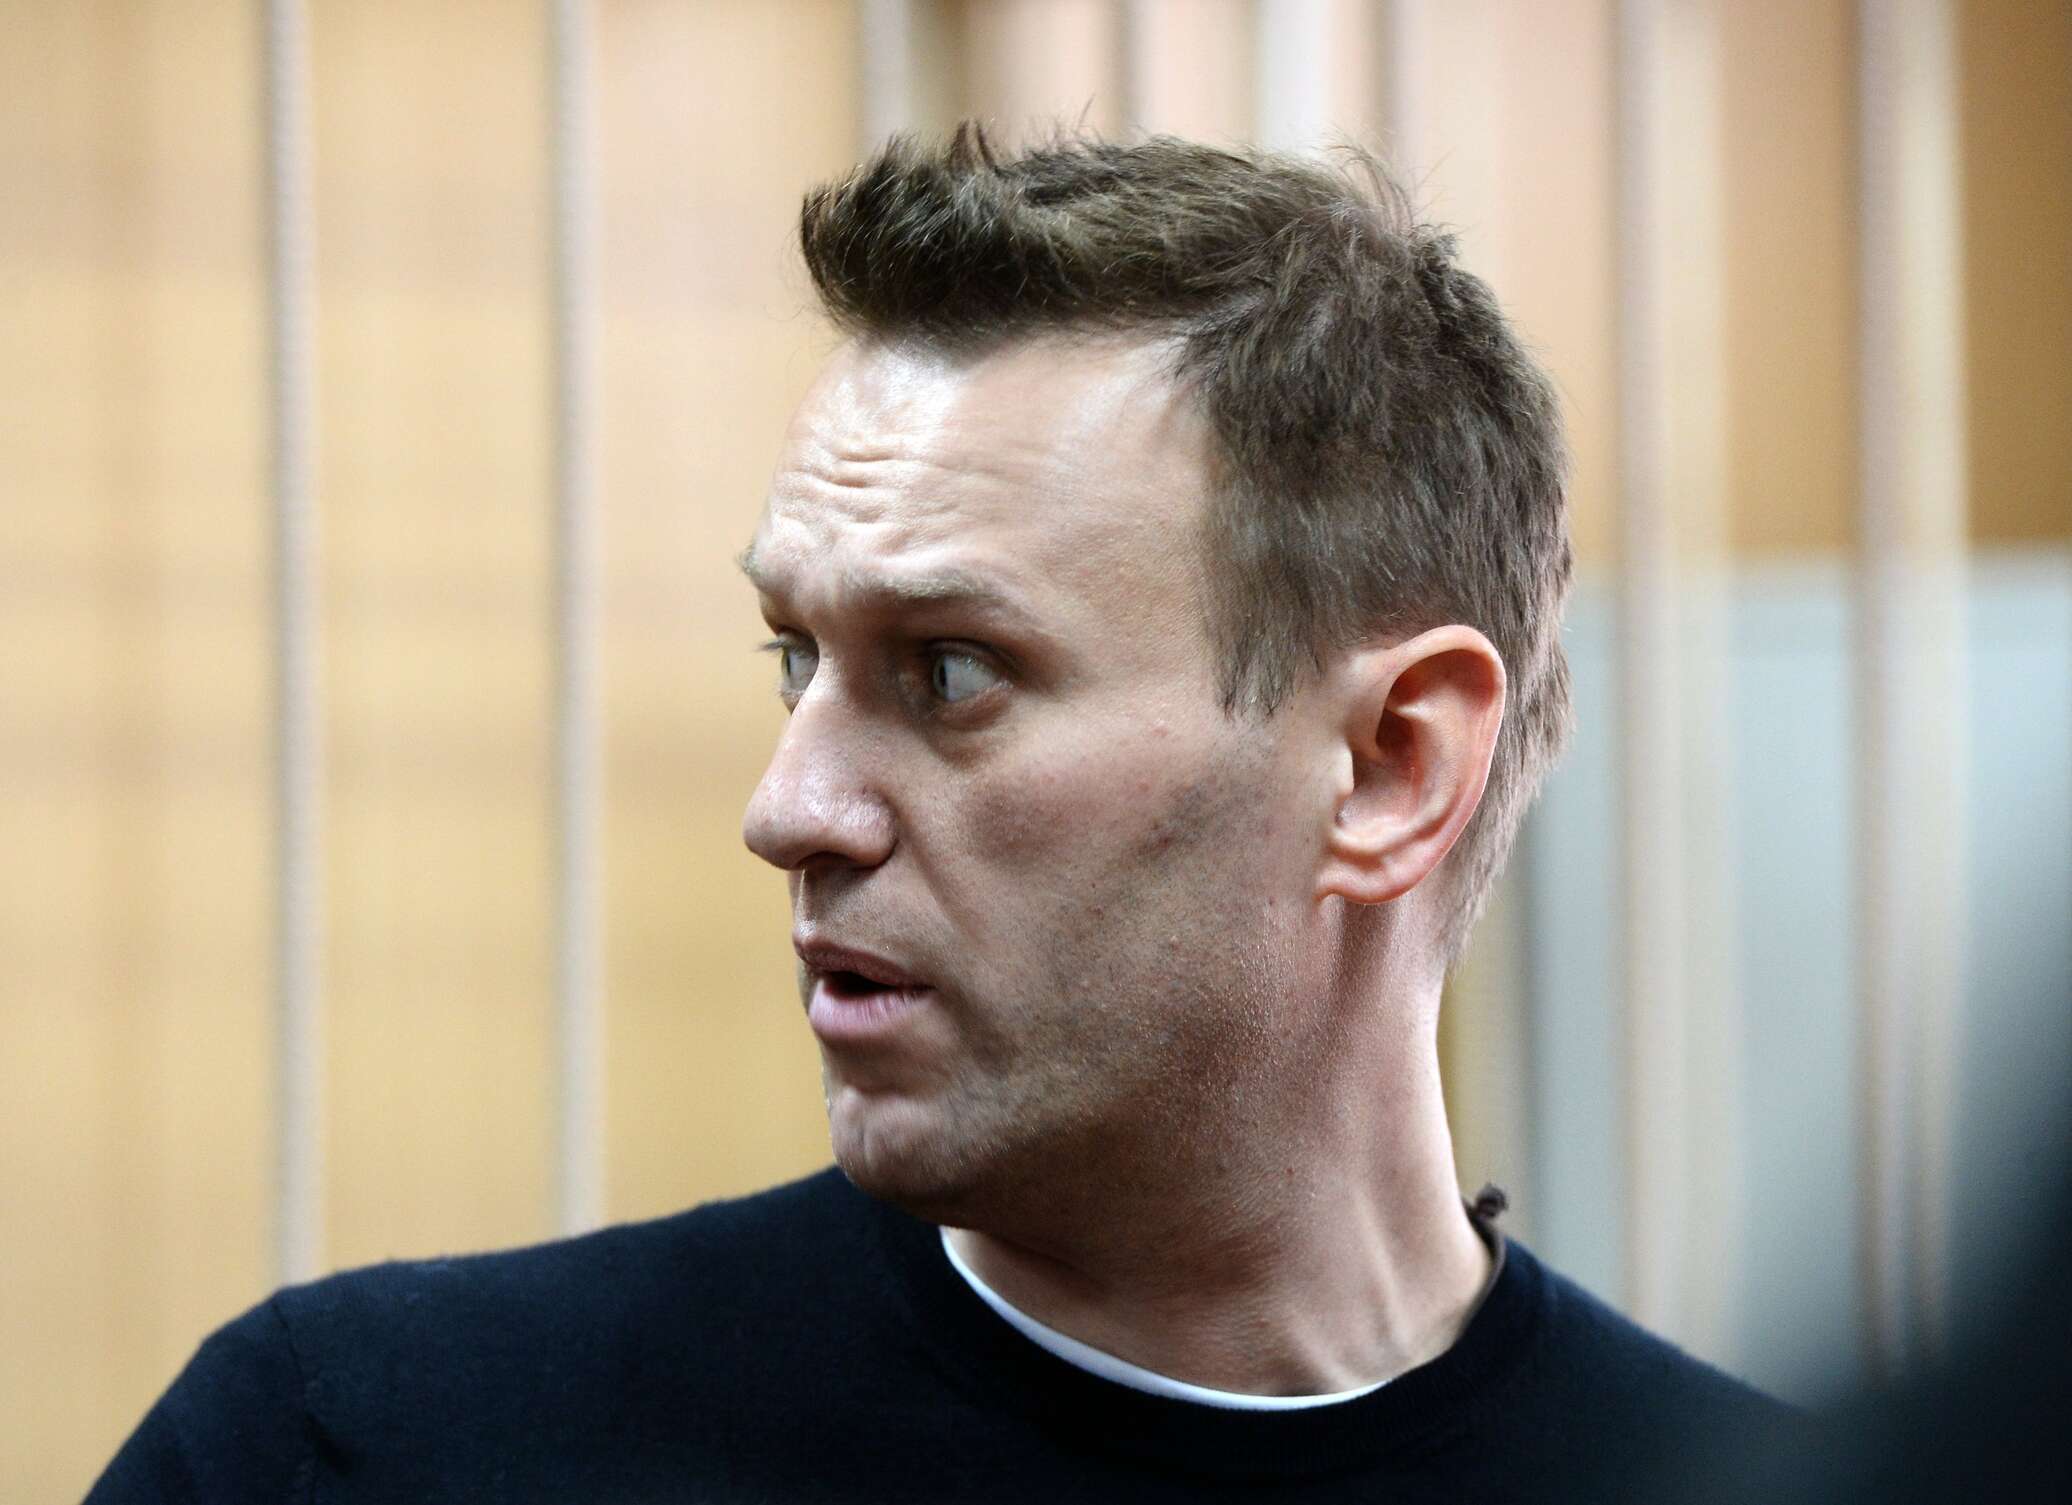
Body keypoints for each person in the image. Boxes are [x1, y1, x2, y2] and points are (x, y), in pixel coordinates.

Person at [89, 127, 1789, 1503]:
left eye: (952, 671)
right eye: (794, 657)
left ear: (1392, 766)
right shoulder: (362, 1447)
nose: (790, 809)